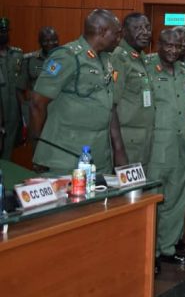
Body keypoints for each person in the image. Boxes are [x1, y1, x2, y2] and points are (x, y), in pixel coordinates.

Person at [29, 10, 127, 174]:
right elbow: (37, 104)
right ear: (102, 32)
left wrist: (117, 149)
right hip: (65, 157)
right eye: (116, 34)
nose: (119, 39)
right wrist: (40, 149)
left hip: (98, 155)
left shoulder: (104, 59)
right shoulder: (67, 56)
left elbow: (108, 105)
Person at [147, 28, 185, 271]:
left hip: (181, 147)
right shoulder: (146, 68)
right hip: (156, 147)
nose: (173, 50)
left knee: (176, 200)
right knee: (154, 200)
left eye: (178, 46)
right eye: (168, 45)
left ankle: (167, 247)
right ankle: (150, 251)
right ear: (158, 44)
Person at [111, 13, 155, 167]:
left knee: (139, 191)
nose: (144, 32)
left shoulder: (141, 58)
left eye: (147, 27)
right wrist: (118, 148)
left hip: (142, 141)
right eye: (137, 28)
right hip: (126, 142)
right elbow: (111, 105)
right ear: (124, 32)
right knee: (125, 190)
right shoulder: (120, 58)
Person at [17, 26, 59, 135]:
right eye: (46, 40)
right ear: (40, 42)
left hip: (57, 111)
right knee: (37, 145)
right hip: (37, 111)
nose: (51, 43)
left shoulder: (64, 59)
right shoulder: (30, 59)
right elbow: (20, 88)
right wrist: (26, 112)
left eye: (54, 40)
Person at [0, 17, 23, 159]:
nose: (3, 34)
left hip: (13, 107)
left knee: (8, 146)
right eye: (0, 31)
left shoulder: (17, 54)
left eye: (5, 31)